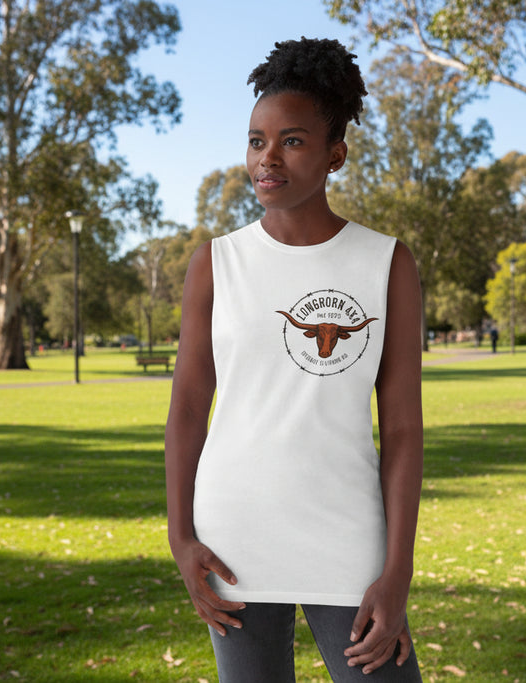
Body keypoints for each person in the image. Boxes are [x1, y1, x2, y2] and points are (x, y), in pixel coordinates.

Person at [165, 38, 424, 682]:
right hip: (234, 543)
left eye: (292, 141)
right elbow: (189, 409)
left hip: (349, 541)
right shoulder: (215, 263)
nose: (267, 158)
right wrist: (180, 537)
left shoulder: (387, 263)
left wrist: (397, 571)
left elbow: (401, 429)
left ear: (335, 153)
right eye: (257, 141)